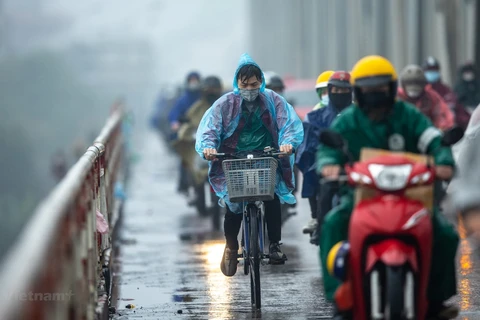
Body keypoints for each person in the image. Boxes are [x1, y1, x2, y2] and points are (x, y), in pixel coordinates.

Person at [316, 55, 459, 320]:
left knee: (446, 234)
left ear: (392, 88)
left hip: (411, 196)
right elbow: (328, 149)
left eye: (380, 88)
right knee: (333, 224)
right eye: (368, 89)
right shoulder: (348, 121)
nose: (374, 94)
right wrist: (329, 164)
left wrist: (443, 161)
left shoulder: (409, 115)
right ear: (358, 91)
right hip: (360, 196)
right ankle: (340, 297)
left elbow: (434, 140)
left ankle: (436, 299)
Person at [195, 53, 304, 276]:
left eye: (254, 84)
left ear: (261, 82)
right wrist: (208, 147)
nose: (250, 89)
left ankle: (274, 245)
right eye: (245, 85)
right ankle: (231, 246)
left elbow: (288, 124)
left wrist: (287, 144)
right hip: (233, 157)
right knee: (234, 204)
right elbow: (210, 128)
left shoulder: (273, 100)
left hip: (266, 155)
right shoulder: (225, 104)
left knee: (271, 195)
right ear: (237, 83)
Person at [296, 71, 352, 241]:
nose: (339, 95)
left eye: (344, 91)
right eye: (335, 90)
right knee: (324, 189)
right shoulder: (315, 117)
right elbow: (310, 146)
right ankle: (321, 226)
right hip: (328, 169)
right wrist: (324, 163)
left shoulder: (360, 115)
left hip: (357, 168)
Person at [172, 76, 223, 193]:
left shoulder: (226, 104)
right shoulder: (197, 107)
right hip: (202, 145)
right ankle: (185, 184)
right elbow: (188, 118)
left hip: (222, 144)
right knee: (187, 160)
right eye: (209, 90)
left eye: (214, 90)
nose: (211, 93)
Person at [169, 71, 202, 194]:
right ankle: (183, 183)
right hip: (189, 133)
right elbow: (174, 113)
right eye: (191, 81)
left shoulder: (203, 97)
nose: (193, 83)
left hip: (203, 131)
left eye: (196, 80)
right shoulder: (183, 100)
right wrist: (175, 122)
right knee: (185, 158)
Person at [397, 64, 454, 131]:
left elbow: (442, 114)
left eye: (416, 88)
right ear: (403, 85)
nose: (413, 93)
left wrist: (441, 129)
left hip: (426, 132)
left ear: (423, 85)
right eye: (410, 86)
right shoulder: (397, 97)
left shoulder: (431, 96)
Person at [422, 56, 470, 130]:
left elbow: (457, 109)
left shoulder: (445, 90)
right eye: (429, 70)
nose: (431, 73)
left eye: (434, 70)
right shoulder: (421, 91)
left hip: (448, 129)